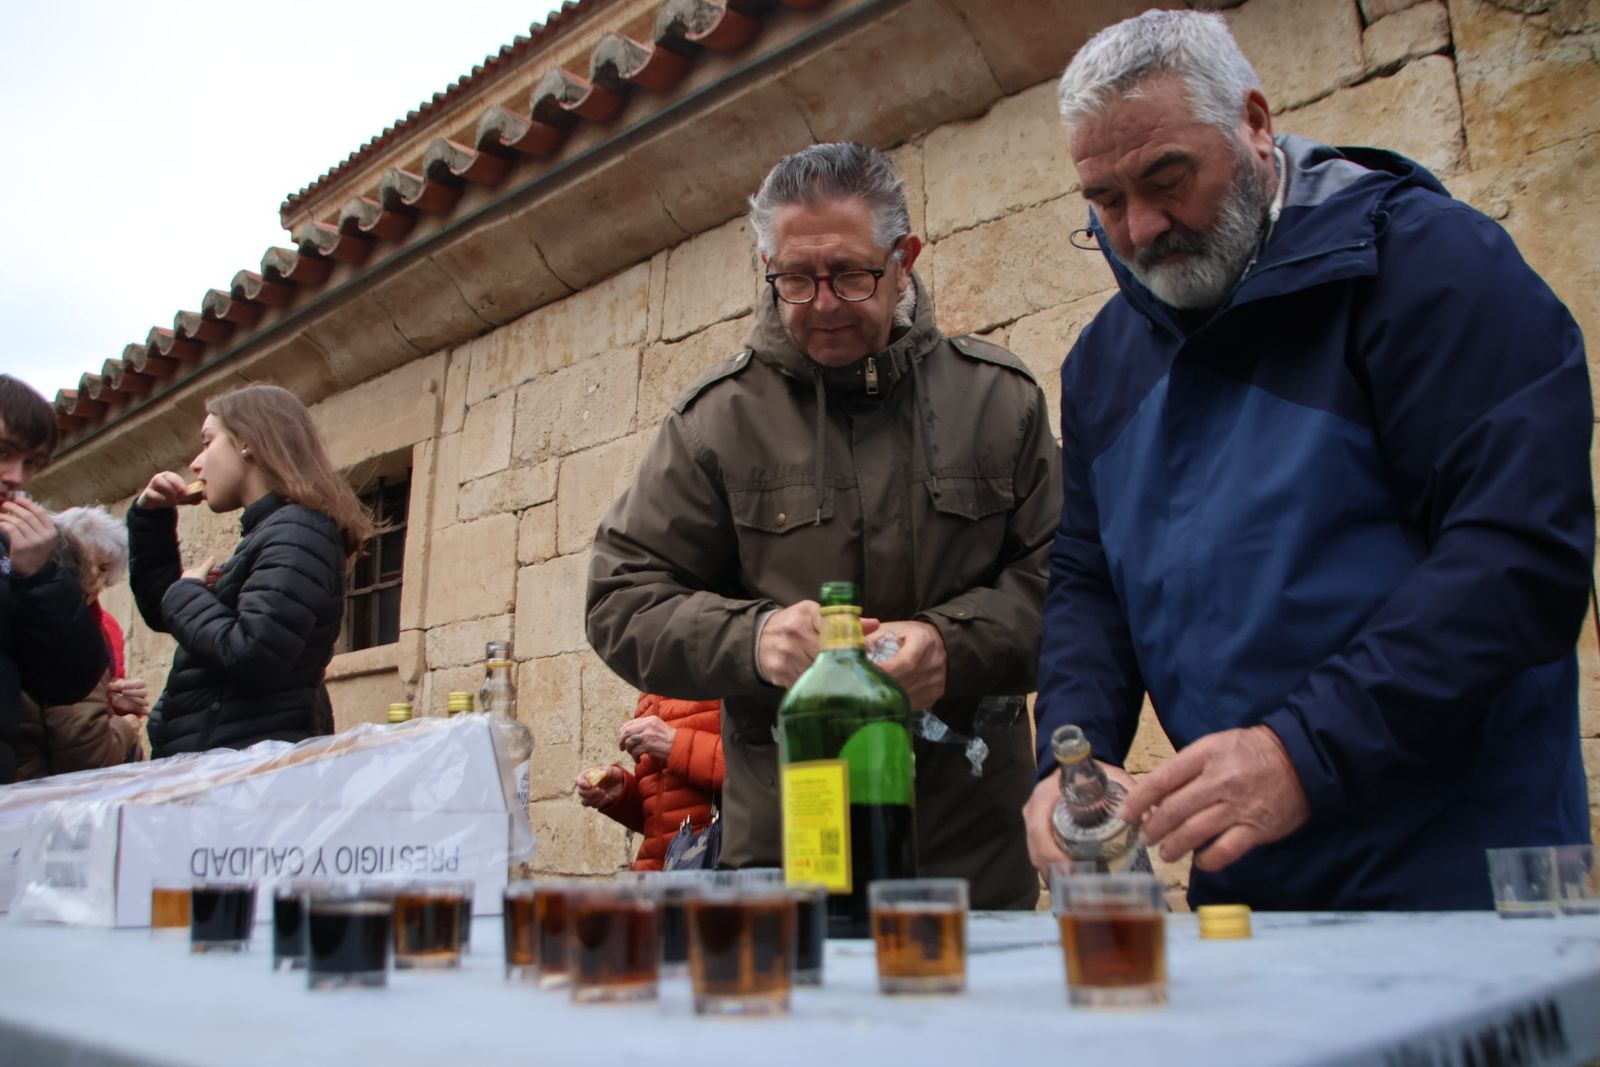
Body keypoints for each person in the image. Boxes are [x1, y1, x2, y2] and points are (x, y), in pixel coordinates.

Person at [1024, 10, 1593, 910]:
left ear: (1253, 123)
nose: (1141, 228)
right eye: (1104, 201)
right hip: (1250, 881)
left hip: (1465, 869)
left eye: (1168, 179)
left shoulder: (1431, 267)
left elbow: (1521, 556)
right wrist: (1073, 751)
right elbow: (1090, 584)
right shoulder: (1102, 361)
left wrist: (1302, 750)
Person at [587, 143, 1062, 909]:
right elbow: (620, 599)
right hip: (786, 859)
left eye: (850, 274)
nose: (824, 303)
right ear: (767, 268)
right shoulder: (717, 421)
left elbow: (1067, 582)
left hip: (969, 855)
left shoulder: (1000, 402)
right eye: (796, 280)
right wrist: (754, 637)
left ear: (903, 261)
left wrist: (951, 645)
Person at [128, 384, 373, 758]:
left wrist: (189, 593)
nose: (196, 463)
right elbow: (166, 611)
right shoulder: (274, 532)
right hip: (226, 762)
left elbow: (252, 654)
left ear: (247, 443)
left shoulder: (298, 533)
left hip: (245, 773)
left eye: (208, 442)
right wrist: (151, 518)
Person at [0, 375, 109, 784]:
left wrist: (41, 577)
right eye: (3, 453)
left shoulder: (14, 554)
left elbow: (69, 683)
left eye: (31, 463)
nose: (16, 478)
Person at [16, 506, 148, 778]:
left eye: (104, 570)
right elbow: (85, 752)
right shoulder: (65, 626)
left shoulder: (102, 625)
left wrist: (110, 703)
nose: (96, 579)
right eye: (89, 563)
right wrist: (126, 728)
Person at [575, 694, 724, 871]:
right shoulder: (649, 694)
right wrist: (622, 793)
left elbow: (758, 775)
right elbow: (660, 819)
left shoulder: (728, 672)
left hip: (711, 873)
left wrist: (674, 745)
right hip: (656, 878)